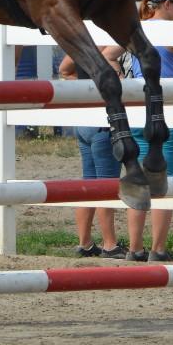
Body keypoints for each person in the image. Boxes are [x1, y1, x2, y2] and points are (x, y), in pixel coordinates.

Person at [100, 0, 173, 262]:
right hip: (166, 113)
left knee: (137, 180)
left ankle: (135, 248)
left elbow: (107, 56)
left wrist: (123, 80)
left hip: (136, 112)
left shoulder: (137, 29)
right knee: (166, 182)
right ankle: (158, 249)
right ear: (167, 5)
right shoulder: (170, 31)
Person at [58, 51, 127, 259]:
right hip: (103, 123)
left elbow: (64, 69)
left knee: (88, 183)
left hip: (84, 122)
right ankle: (110, 244)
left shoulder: (82, 46)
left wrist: (86, 88)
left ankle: (85, 242)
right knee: (107, 185)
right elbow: (119, 81)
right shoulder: (109, 49)